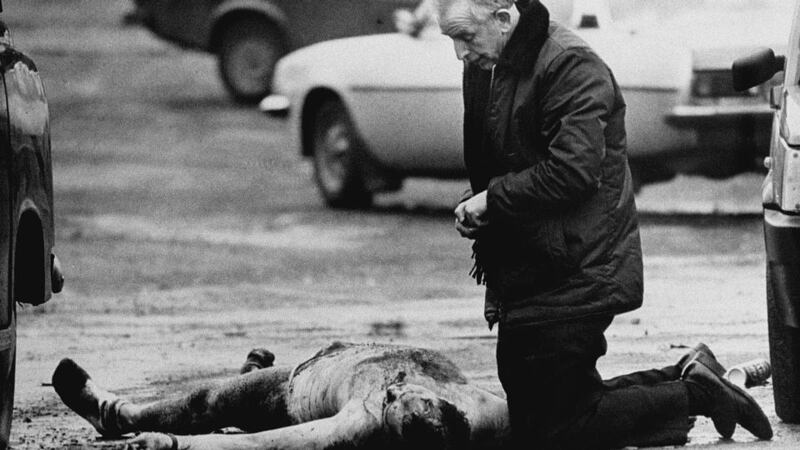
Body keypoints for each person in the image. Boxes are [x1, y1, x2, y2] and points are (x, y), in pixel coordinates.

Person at [438, 0, 773, 447]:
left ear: (503, 19)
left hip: (577, 264)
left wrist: (493, 202)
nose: (460, 53)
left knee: (555, 429)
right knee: (544, 412)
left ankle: (695, 393)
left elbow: (573, 171)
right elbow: (504, 160)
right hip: (532, 265)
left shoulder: (570, 64)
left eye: (465, 36)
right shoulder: (489, 65)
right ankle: (687, 378)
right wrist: (479, 202)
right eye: (451, 40)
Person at [52, 342, 511, 450]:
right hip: (340, 353)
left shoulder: (360, 419)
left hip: (295, 390)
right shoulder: (480, 408)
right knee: (235, 399)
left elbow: (263, 446)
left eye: (391, 402)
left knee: (208, 405)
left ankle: (117, 415)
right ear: (442, 404)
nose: (397, 390)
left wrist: (177, 445)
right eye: (411, 395)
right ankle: (250, 377)